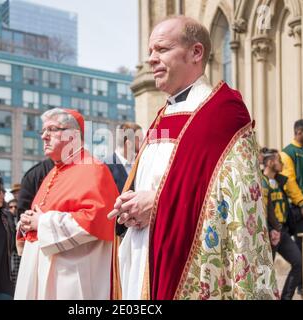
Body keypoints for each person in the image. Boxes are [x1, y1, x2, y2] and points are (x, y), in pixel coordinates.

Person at [108, 15, 277, 300]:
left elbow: (237, 199)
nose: (151, 59)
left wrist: (159, 204)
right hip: (141, 257)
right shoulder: (163, 114)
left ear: (196, 53)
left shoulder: (223, 111)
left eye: (161, 49)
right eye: (150, 51)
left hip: (189, 266)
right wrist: (129, 204)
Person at [14, 108, 119, 300]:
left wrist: (42, 222)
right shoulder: (52, 172)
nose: (44, 136)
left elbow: (95, 219)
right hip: (44, 271)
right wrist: (26, 223)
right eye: (43, 131)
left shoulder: (93, 169)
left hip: (70, 277)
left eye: (52, 129)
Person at [261, 148, 302, 300]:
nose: (282, 164)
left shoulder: (280, 181)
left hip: (282, 230)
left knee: (298, 262)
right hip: (268, 233)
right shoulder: (261, 182)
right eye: (279, 161)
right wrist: (270, 229)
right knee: (265, 270)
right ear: (270, 162)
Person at [281, 119, 303, 296]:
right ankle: (302, 287)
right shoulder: (288, 153)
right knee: (301, 249)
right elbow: (290, 182)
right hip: (301, 209)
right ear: (299, 132)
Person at [105, 122, 143, 236]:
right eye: (140, 140)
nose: (144, 143)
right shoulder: (106, 167)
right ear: (129, 143)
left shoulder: (138, 165)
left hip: (137, 232)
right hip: (117, 235)